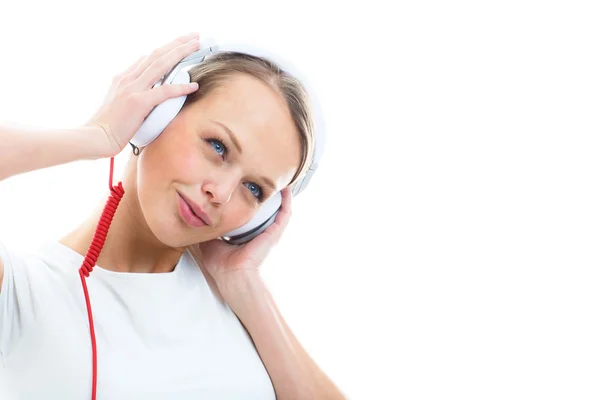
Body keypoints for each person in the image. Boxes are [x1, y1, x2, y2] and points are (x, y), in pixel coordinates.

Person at [0, 32, 345, 399]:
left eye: (254, 189)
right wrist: (96, 135)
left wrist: (245, 286)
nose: (222, 193)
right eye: (218, 146)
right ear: (157, 115)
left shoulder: (239, 303)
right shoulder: (24, 291)